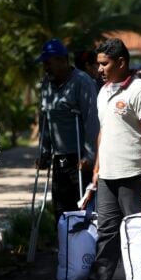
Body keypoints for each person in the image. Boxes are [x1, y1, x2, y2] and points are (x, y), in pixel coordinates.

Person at [65, 38, 141, 280]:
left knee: (140, 232)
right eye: (98, 64)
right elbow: (104, 133)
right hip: (108, 175)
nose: (99, 69)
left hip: (136, 173)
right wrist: (97, 168)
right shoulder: (104, 92)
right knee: (107, 232)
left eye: (104, 64)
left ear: (121, 62)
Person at [36, 39, 99, 224]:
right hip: (59, 157)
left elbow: (92, 119)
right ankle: (65, 249)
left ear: (63, 60)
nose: (45, 67)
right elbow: (46, 119)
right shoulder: (47, 84)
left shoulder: (82, 82)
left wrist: (90, 155)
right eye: (44, 63)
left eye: (49, 62)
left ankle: (84, 250)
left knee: (81, 209)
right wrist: (44, 152)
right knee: (61, 210)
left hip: (80, 159)